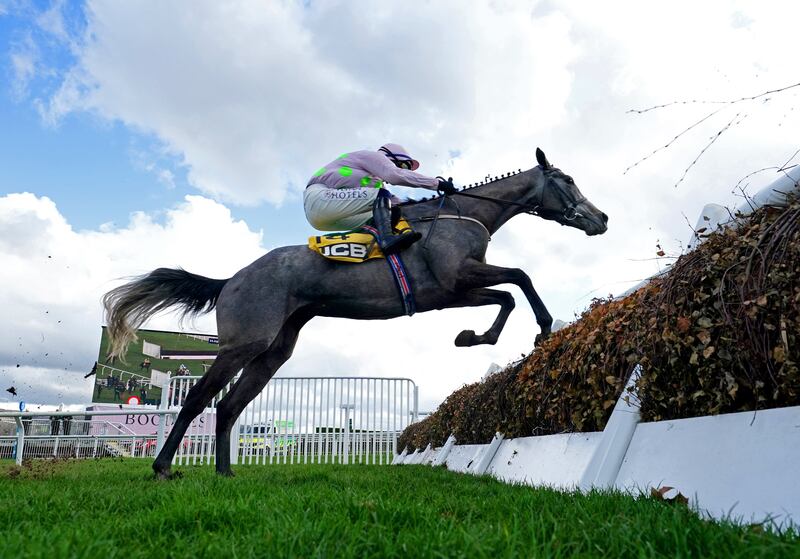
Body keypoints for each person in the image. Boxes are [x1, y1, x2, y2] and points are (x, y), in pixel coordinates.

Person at [304, 143, 457, 254]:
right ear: (391, 157)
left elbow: (400, 205)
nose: (404, 171)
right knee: (383, 198)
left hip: (326, 219)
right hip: (318, 197)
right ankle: (386, 241)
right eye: (404, 166)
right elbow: (394, 175)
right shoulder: (372, 156)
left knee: (393, 211)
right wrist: (437, 184)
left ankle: (370, 250)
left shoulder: (375, 183)